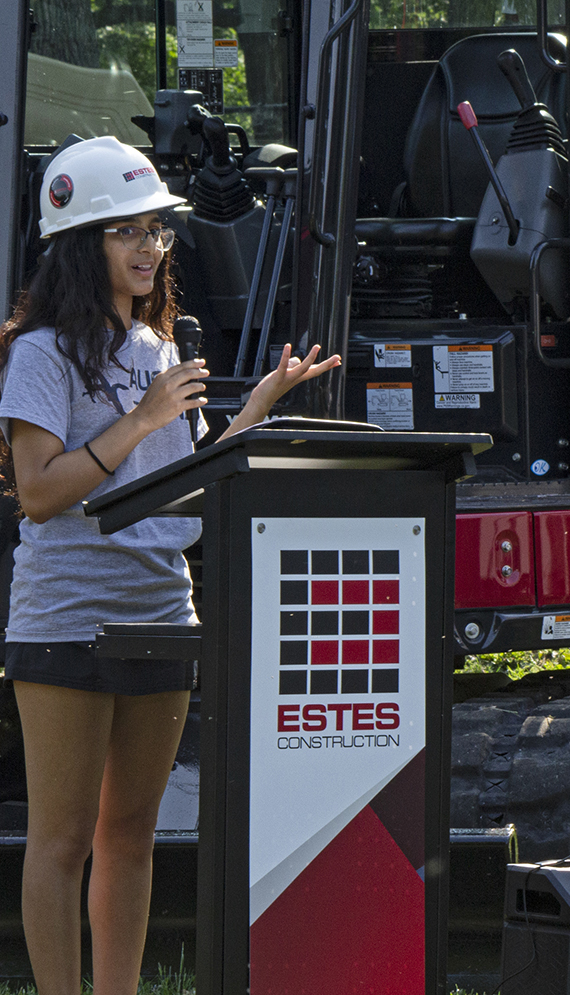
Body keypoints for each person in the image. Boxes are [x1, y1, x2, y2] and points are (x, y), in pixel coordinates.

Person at [0, 135, 338, 995]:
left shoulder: (156, 352)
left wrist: (252, 416)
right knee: (63, 841)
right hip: (67, 618)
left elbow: (180, 497)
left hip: (162, 614)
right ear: (82, 243)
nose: (151, 247)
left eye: (156, 230)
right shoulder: (39, 354)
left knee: (130, 838)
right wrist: (146, 418)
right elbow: (38, 493)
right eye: (128, 232)